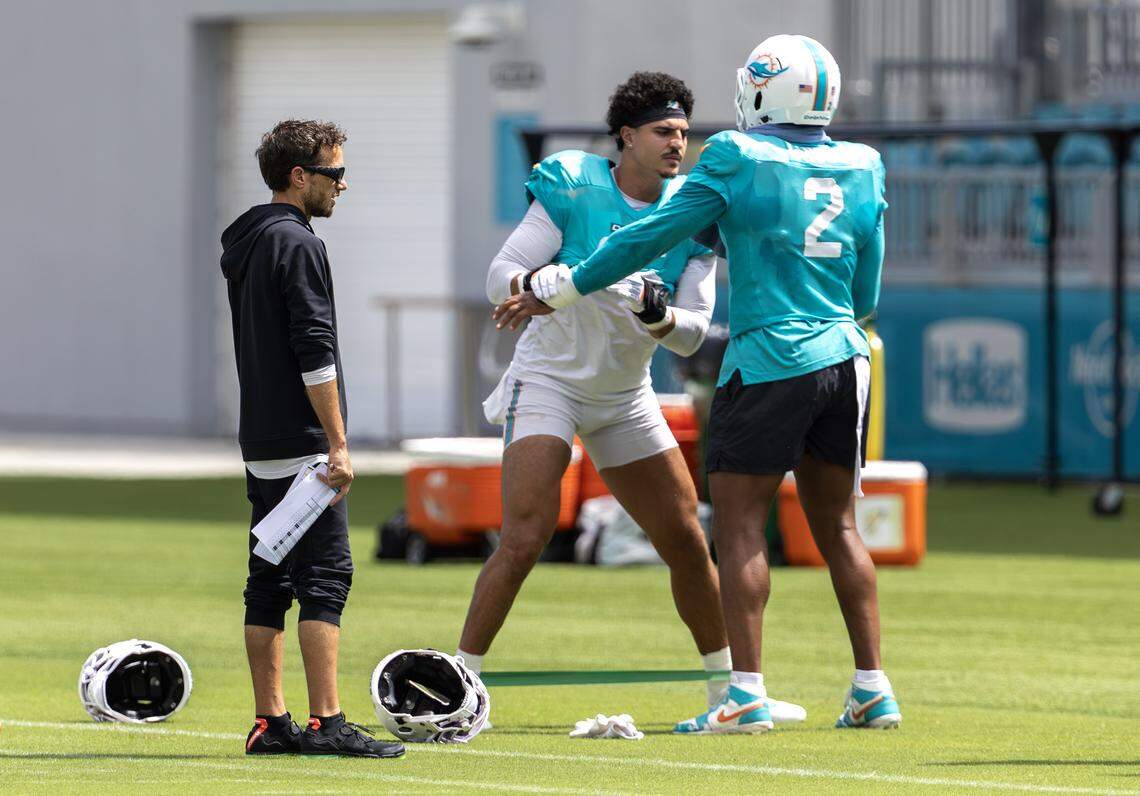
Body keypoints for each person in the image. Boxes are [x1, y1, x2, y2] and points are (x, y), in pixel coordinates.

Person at [494, 35, 901, 734]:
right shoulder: (865, 164)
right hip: (846, 354)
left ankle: (743, 694)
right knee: (837, 526)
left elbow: (645, 237)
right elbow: (866, 290)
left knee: (740, 525)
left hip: (771, 355)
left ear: (766, 91)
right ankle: (872, 687)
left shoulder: (737, 157)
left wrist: (566, 286)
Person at [460, 72, 804, 723]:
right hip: (550, 383)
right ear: (626, 136)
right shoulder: (573, 183)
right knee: (526, 533)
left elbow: (694, 333)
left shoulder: (695, 209)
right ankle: (460, 682)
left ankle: (730, 694)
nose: (678, 143)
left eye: (683, 131)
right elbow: (500, 276)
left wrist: (658, 319)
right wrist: (550, 277)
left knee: (683, 539)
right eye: (663, 131)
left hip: (624, 397)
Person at [220, 119, 403, 758]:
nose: (342, 185)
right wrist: (338, 442)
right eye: (334, 173)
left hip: (261, 435)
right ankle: (328, 721)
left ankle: (271, 723)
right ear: (299, 176)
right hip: (302, 437)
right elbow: (313, 347)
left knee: (268, 576)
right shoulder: (296, 243)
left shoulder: (247, 240)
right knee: (326, 575)